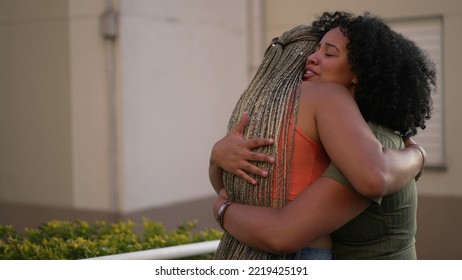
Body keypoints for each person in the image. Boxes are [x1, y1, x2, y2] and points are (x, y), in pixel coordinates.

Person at [210, 12, 434, 259]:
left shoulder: (374, 142)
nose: (312, 59)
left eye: (329, 53)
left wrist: (222, 209)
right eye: (315, 50)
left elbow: (282, 234)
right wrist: (217, 156)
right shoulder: (335, 131)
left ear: (360, 72)